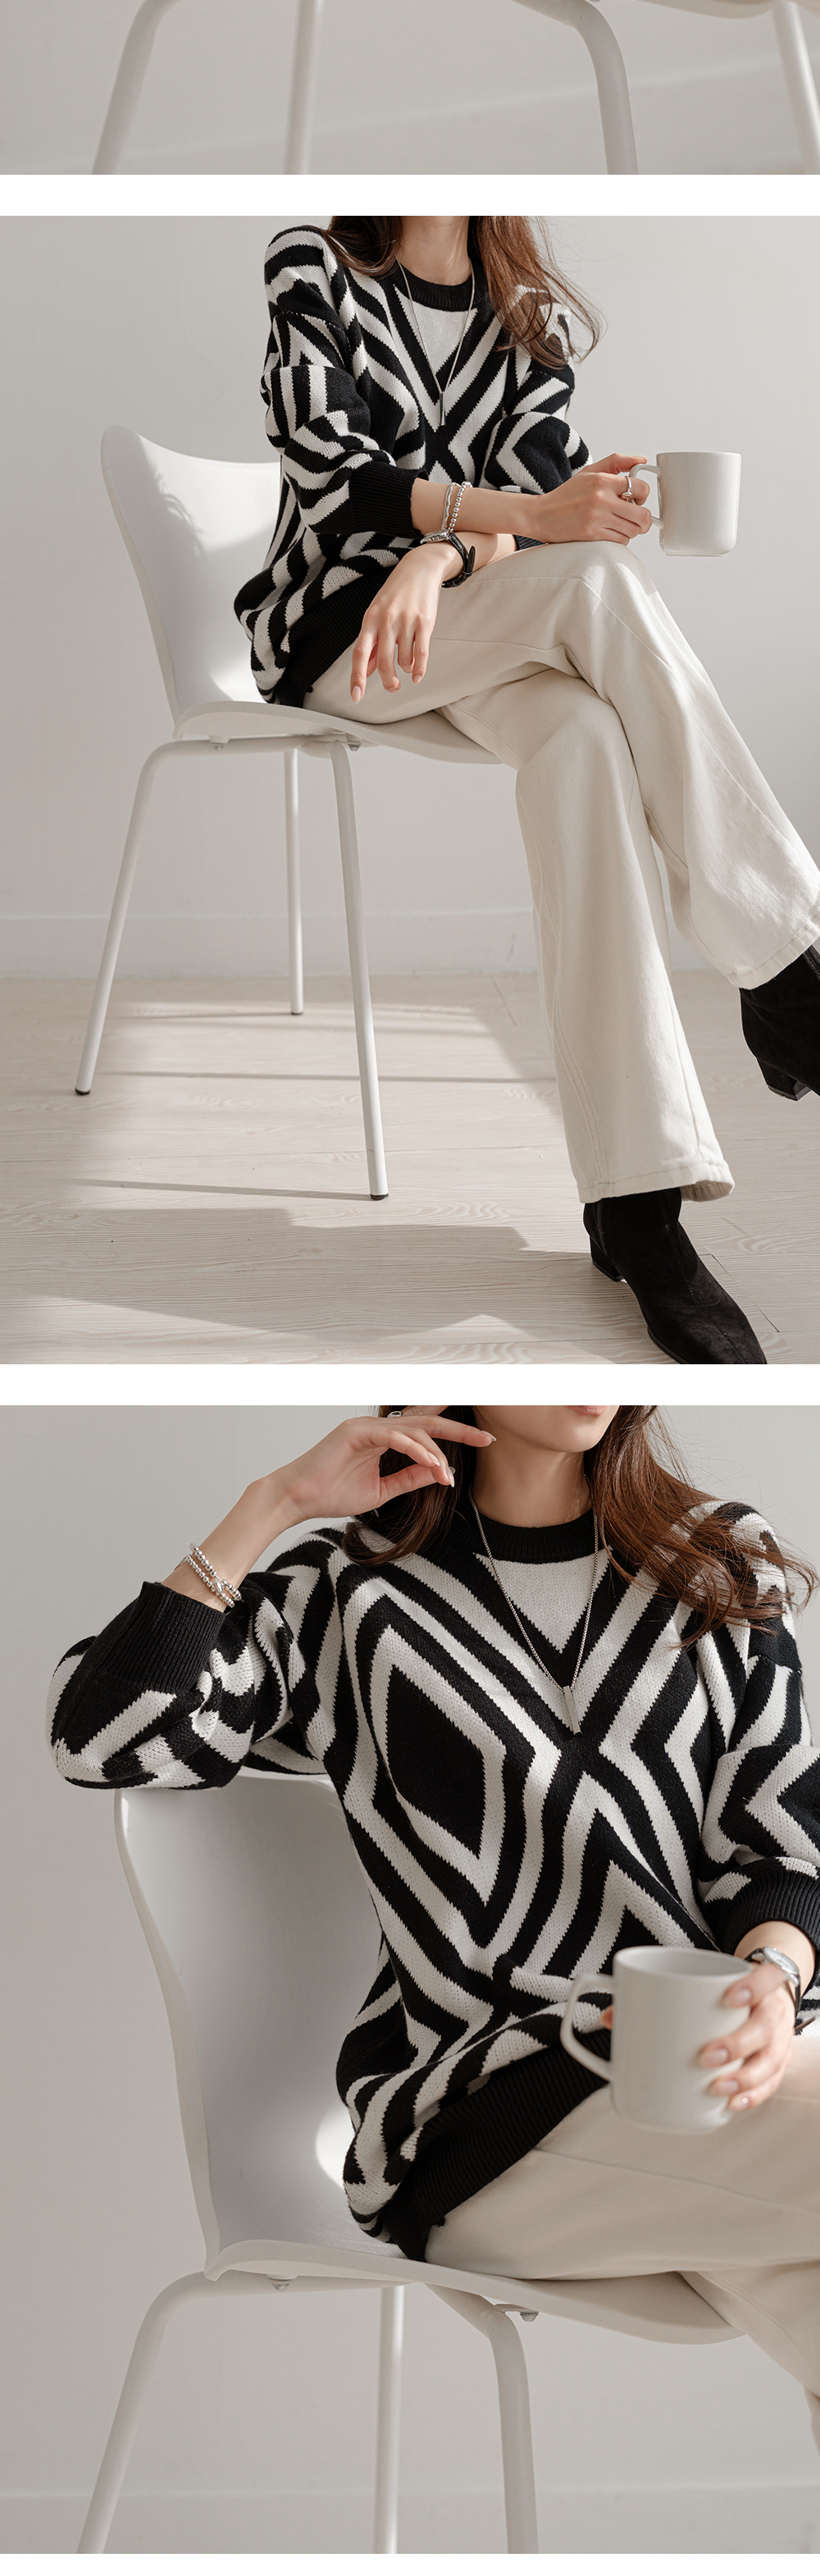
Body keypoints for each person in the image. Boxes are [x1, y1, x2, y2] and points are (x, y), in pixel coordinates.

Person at [48, 1400, 820, 2460]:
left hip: (729, 2077)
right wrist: (274, 1503)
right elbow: (104, 1738)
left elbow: (784, 1842)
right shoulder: (348, 1590)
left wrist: (772, 1976)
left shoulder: (717, 1561)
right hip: (485, 2115)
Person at [233, 210, 820, 1366]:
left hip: (462, 619)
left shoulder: (526, 311)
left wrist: (438, 551)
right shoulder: (315, 264)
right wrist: (493, 527)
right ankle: (788, 969)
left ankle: (634, 1204)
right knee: (599, 586)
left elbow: (536, 507)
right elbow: (336, 477)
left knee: (585, 739)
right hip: (335, 635)